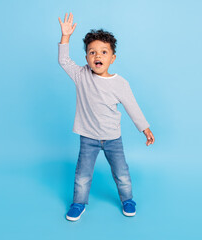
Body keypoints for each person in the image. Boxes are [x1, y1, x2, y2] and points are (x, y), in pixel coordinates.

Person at [58, 13, 155, 221]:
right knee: (82, 176)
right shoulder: (81, 75)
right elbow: (64, 60)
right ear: (86, 58)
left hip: (112, 138)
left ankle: (128, 199)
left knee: (121, 174)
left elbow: (132, 107)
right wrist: (65, 37)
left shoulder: (120, 83)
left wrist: (145, 128)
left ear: (112, 58)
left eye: (103, 52)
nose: (97, 56)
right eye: (92, 52)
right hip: (88, 138)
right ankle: (78, 203)